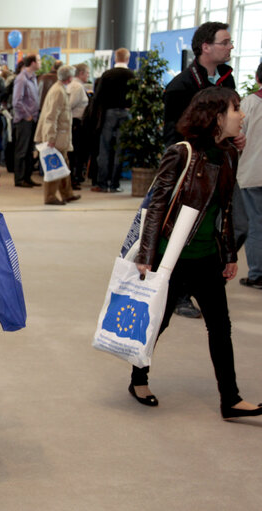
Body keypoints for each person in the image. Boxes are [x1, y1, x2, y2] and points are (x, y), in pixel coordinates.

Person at [130, 87, 262, 421]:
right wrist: (146, 254)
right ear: (217, 116)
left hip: (207, 256)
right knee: (156, 324)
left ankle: (230, 400)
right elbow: (157, 202)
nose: (242, 114)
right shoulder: (181, 152)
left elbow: (226, 210)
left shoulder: (228, 154)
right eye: (235, 109)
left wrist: (230, 254)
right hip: (172, 258)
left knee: (221, 327)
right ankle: (138, 380)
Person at [162, 22, 245, 319]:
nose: (230, 47)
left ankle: (206, 277)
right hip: (193, 174)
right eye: (224, 42)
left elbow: (227, 123)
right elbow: (172, 138)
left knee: (237, 222)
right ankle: (182, 288)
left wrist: (234, 139)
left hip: (220, 167)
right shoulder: (181, 87)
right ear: (205, 46)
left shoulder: (226, 80)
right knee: (186, 230)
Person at [34, 65, 80, 206]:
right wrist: (50, 138)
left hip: (61, 136)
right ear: (70, 77)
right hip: (57, 137)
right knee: (54, 166)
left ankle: (67, 194)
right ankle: (50, 197)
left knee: (64, 165)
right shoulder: (58, 92)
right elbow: (51, 117)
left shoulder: (59, 89)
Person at [91, 48, 135, 193]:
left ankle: (102, 183)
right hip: (126, 113)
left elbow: (97, 97)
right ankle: (115, 184)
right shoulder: (131, 75)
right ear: (128, 59)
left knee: (104, 148)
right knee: (120, 150)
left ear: (115, 59)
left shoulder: (107, 75)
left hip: (109, 113)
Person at [237, 63, 262, 289]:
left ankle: (256, 274)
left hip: (252, 172)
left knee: (255, 224)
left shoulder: (249, 103)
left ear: (257, 77)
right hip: (254, 173)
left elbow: (237, 137)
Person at [12, 55, 41, 188]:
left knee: (29, 150)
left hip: (33, 119)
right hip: (24, 120)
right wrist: (27, 115)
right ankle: (20, 179)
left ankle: (27, 177)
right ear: (33, 63)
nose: (40, 63)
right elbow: (16, 101)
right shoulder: (22, 79)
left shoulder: (33, 77)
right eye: (39, 60)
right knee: (22, 150)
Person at [67, 63, 89, 189]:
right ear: (80, 73)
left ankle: (75, 177)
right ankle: (73, 178)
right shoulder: (77, 87)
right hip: (75, 122)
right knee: (75, 152)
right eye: (87, 73)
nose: (88, 76)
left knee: (76, 152)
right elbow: (70, 104)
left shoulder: (76, 85)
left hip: (75, 121)